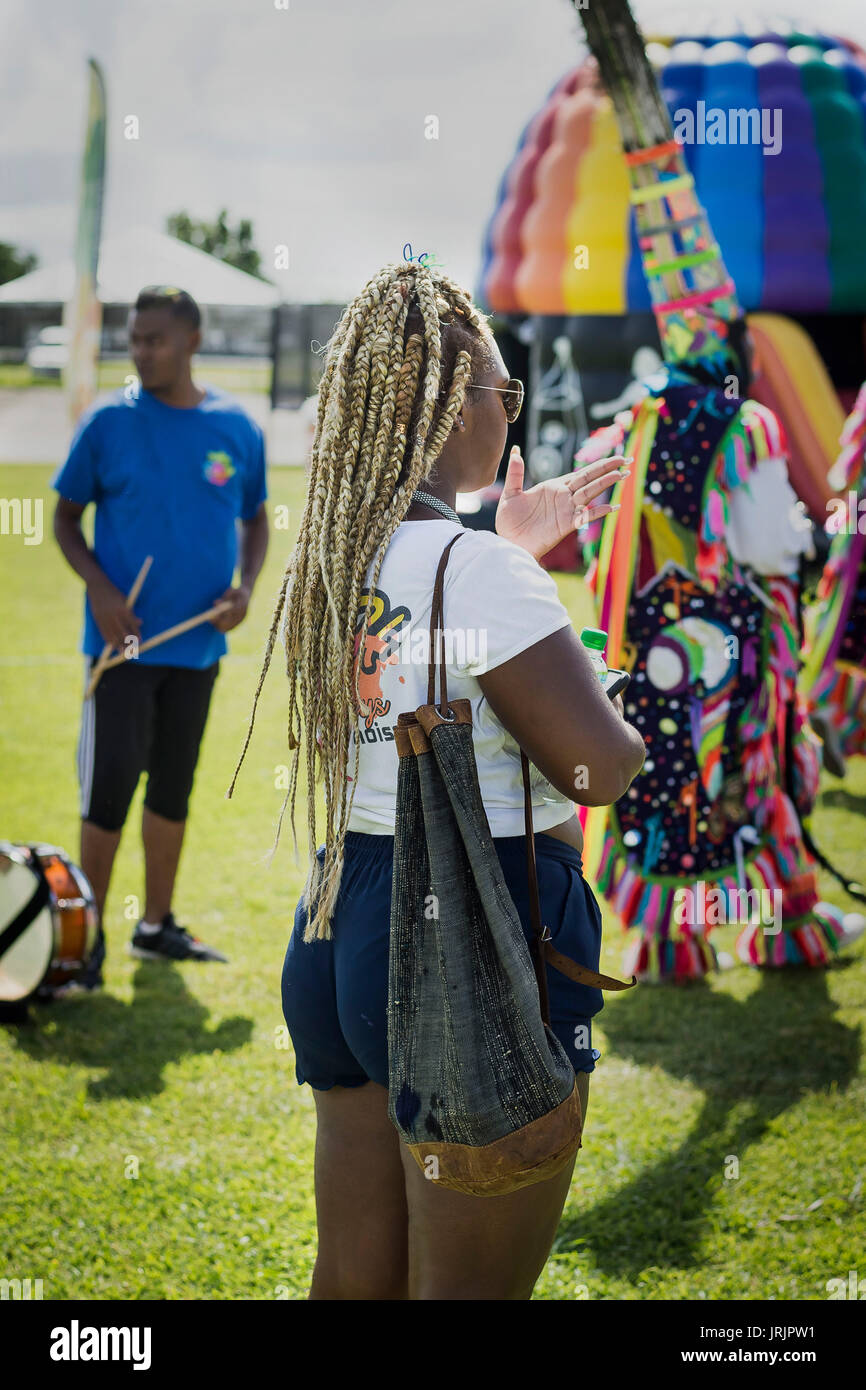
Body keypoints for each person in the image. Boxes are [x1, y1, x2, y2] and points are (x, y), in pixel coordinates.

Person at [230, 261, 645, 1300]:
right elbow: (596, 768)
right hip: (477, 922)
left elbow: (423, 662)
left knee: (353, 1276)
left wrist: (502, 553)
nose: (509, 416)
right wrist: (621, 696)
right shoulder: (484, 574)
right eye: (503, 394)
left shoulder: (343, 555)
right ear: (446, 408)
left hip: (344, 917)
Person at [578, 316, 863, 980]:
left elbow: (600, 552)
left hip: (646, 656)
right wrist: (802, 541)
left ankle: (671, 947)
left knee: (665, 785)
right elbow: (772, 543)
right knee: (748, 780)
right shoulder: (737, 425)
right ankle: (787, 929)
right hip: (729, 659)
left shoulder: (623, 428)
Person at [51, 285, 269, 993]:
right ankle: (83, 946)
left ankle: (157, 925)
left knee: (172, 792)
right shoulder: (107, 422)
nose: (141, 351)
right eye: (136, 338)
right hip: (125, 650)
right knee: (108, 794)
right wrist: (102, 590)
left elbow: (256, 520)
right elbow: (63, 520)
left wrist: (245, 586)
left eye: (156, 339)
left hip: (199, 648)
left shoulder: (236, 427)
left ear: (192, 341)